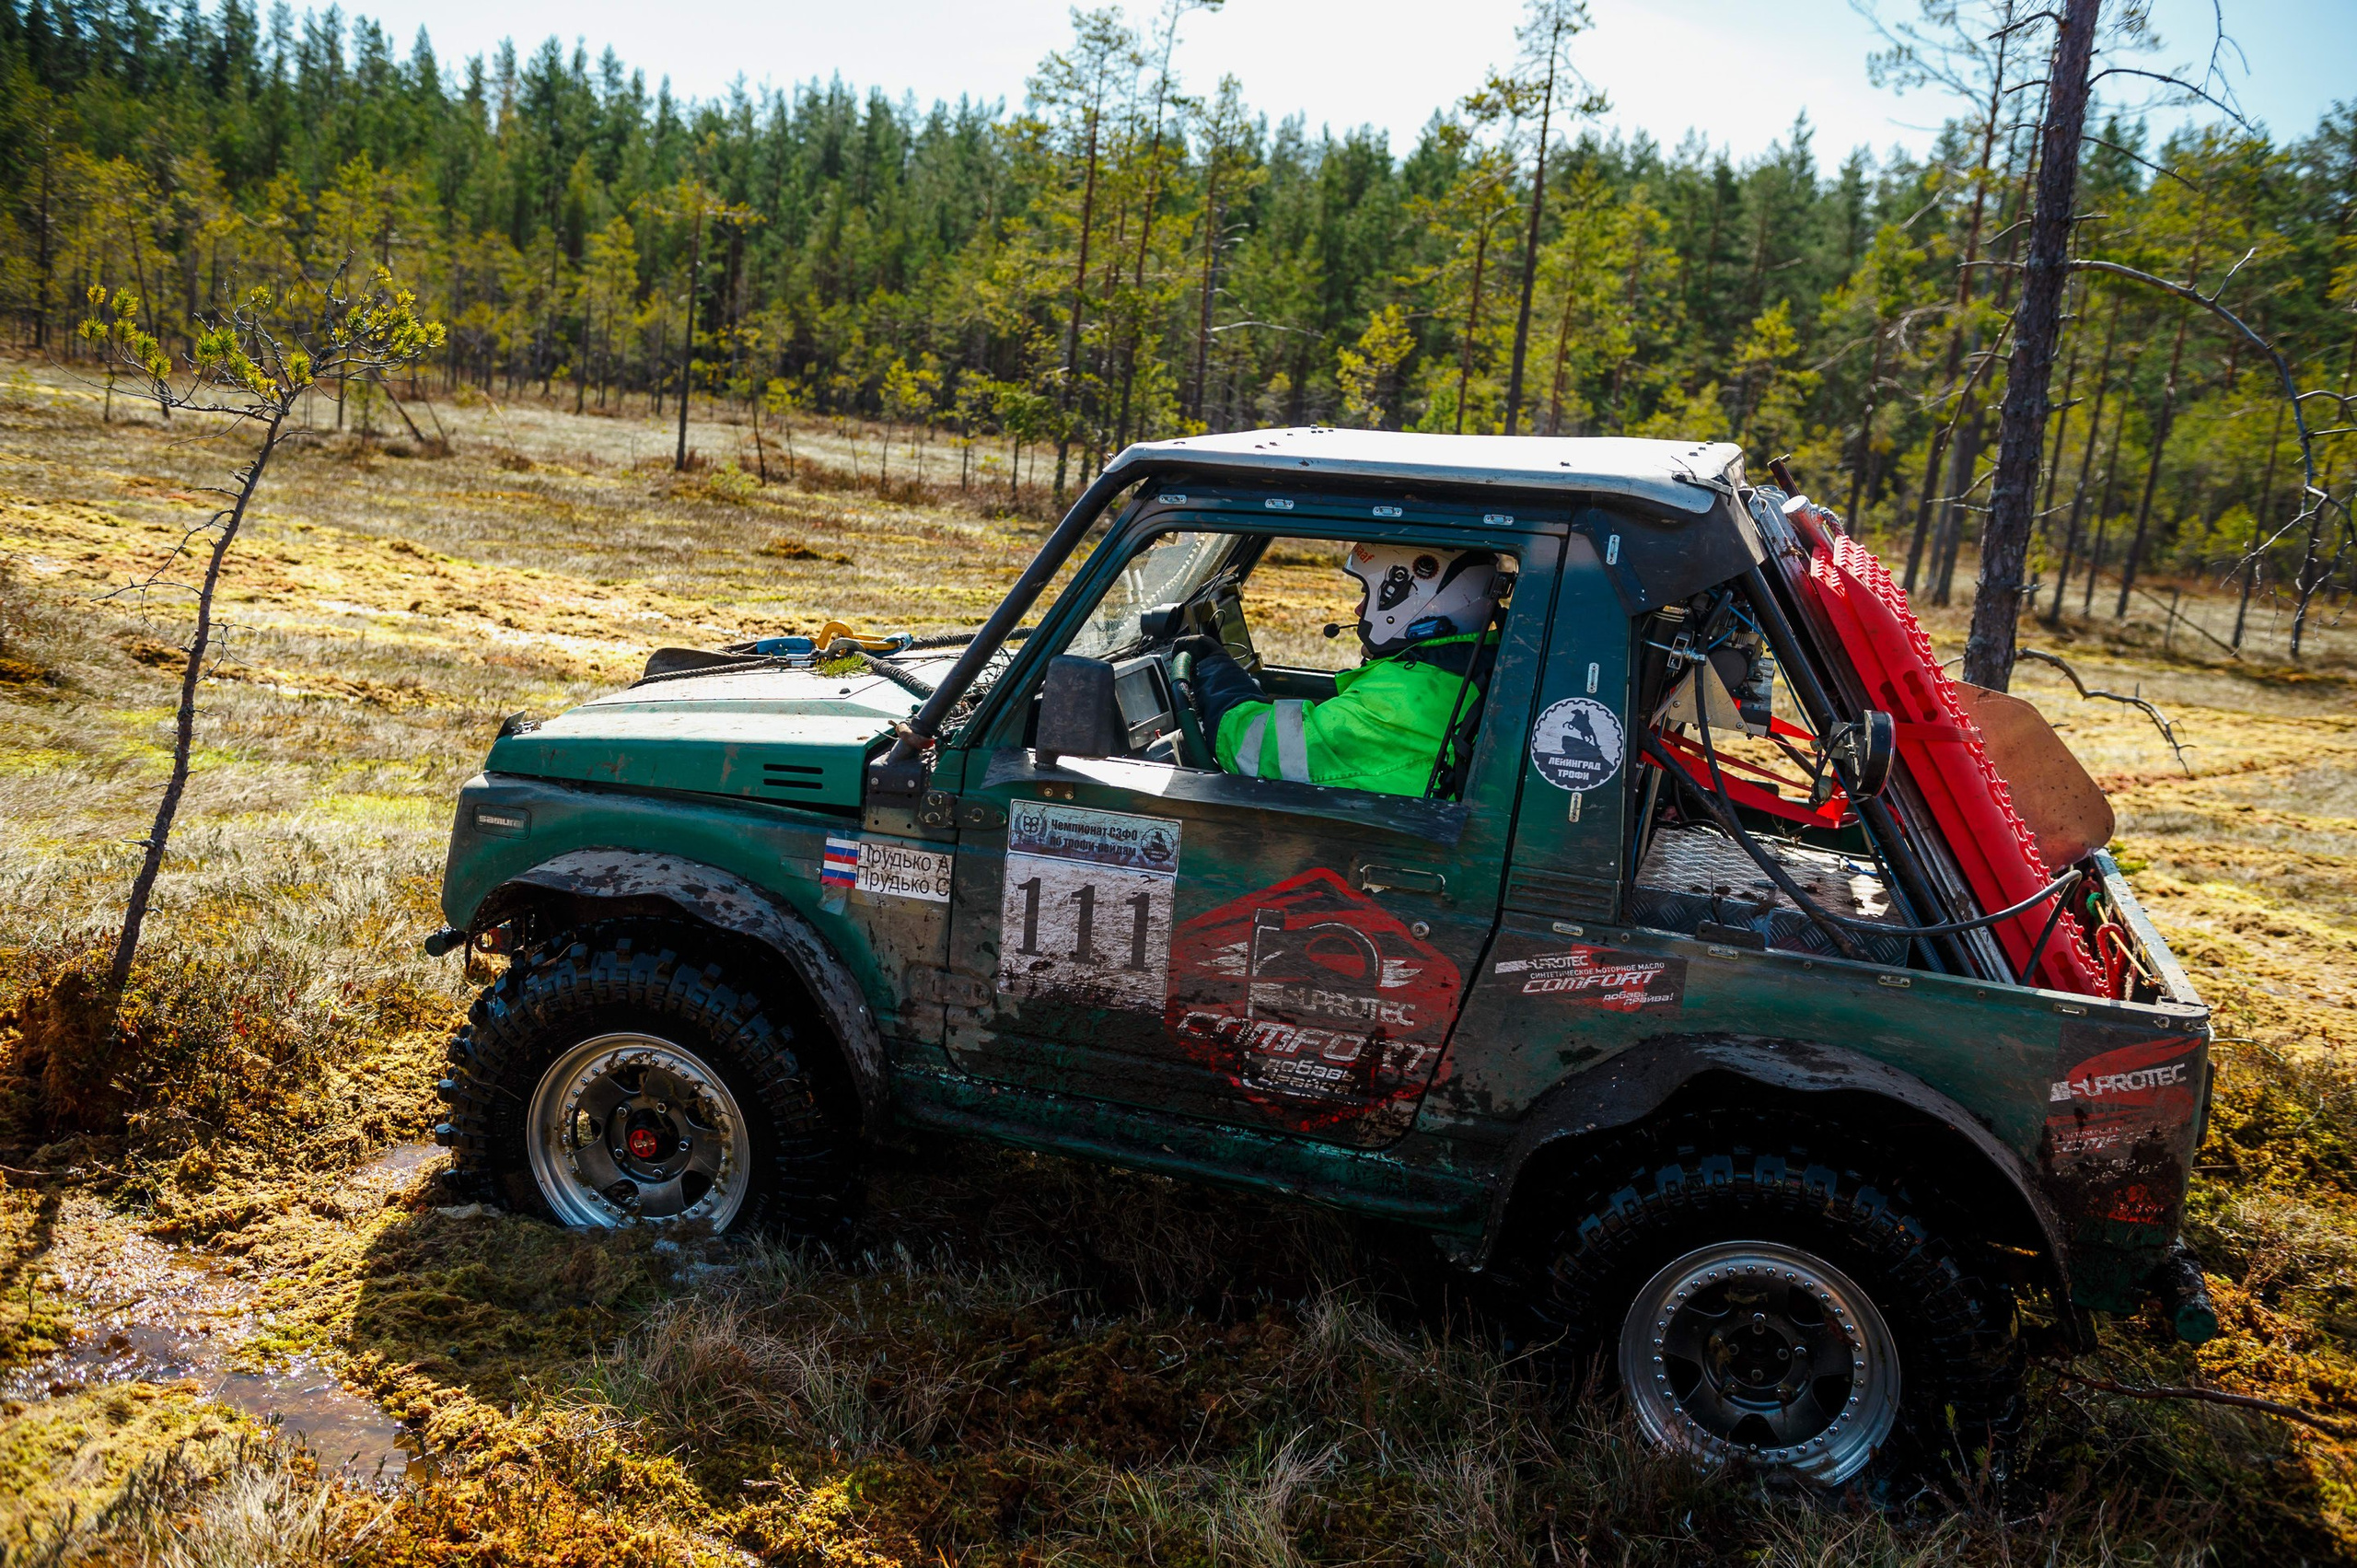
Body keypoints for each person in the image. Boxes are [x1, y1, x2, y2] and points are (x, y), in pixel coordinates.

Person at [1178, 542, 1507, 797]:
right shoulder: (1469, 670)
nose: (1359, 608)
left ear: (1411, 599)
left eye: (1368, 593)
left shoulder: (1403, 699)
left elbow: (1256, 752)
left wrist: (1214, 670)